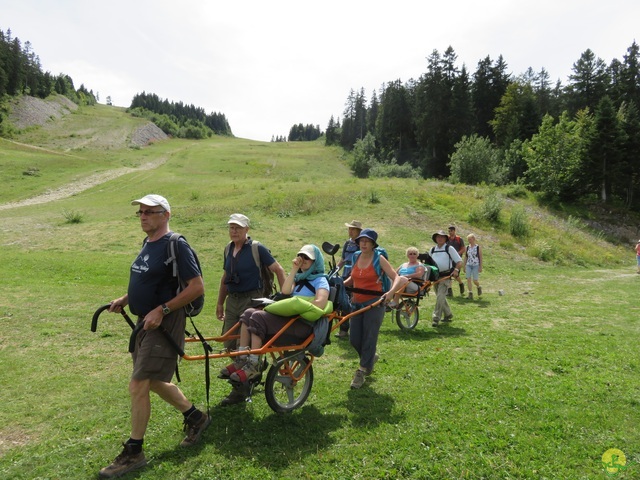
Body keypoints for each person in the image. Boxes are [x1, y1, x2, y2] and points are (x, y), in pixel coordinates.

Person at [99, 194, 208, 478]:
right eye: (141, 212)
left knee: (138, 383)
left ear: (166, 214)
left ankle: (134, 452)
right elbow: (149, 277)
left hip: (164, 323)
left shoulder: (177, 245)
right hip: (144, 321)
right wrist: (125, 298)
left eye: (150, 212)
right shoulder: (148, 244)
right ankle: (196, 417)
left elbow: (196, 287)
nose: (143, 216)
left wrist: (162, 309)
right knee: (155, 381)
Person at [219, 244, 330, 386]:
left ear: (316, 262)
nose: (302, 259)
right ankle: (241, 359)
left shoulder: (320, 280)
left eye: (307, 257)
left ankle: (254, 364)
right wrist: (294, 269)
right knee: (248, 313)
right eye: (300, 255)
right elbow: (285, 291)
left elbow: (320, 302)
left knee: (257, 317)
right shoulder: (299, 277)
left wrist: (297, 307)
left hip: (302, 326)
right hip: (288, 321)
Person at [344, 228, 407, 389]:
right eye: (361, 241)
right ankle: (370, 358)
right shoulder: (356, 256)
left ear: (373, 244)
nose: (363, 244)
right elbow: (353, 277)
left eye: (367, 241)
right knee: (354, 339)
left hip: (375, 303)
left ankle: (362, 371)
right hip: (356, 303)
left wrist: (391, 293)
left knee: (370, 337)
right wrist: (340, 284)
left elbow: (397, 277)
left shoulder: (379, 259)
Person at [216, 213, 286, 352]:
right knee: (228, 342)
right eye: (231, 227)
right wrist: (220, 303)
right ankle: (240, 369)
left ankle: (251, 370)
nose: (234, 231)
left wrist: (285, 296)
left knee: (243, 343)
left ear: (247, 229)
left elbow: (278, 269)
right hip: (232, 301)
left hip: (251, 300)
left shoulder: (257, 248)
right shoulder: (228, 248)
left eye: (238, 228)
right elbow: (225, 277)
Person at [335, 220, 363, 338]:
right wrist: (335, 270)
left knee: (356, 301)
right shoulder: (347, 243)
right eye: (349, 229)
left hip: (358, 276)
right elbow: (342, 260)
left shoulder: (362, 244)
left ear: (359, 231)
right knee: (344, 301)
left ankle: (358, 329)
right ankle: (344, 330)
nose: (350, 231)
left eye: (353, 229)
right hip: (346, 275)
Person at [430, 230, 462, 327]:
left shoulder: (449, 248)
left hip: (446, 276)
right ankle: (448, 314)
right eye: (438, 237)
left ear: (445, 239)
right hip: (435, 277)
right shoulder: (432, 250)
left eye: (442, 237)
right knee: (440, 297)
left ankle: (436, 318)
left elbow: (459, 261)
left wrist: (456, 270)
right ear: (435, 239)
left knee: (440, 296)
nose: (440, 238)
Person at [447, 225, 466, 297]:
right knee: (449, 275)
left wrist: (457, 254)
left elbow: (463, 249)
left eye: (451, 231)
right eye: (449, 231)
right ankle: (449, 291)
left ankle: (461, 283)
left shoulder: (459, 239)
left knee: (455, 275)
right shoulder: (447, 239)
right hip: (449, 259)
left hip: (457, 260)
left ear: (454, 231)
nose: (450, 232)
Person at [463, 233, 483, 299]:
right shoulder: (467, 247)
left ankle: (478, 286)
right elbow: (466, 256)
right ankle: (470, 293)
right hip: (468, 264)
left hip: (475, 265)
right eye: (468, 239)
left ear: (474, 239)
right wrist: (464, 265)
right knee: (468, 279)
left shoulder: (478, 247)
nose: (469, 241)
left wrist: (480, 266)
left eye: (470, 239)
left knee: (475, 280)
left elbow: (480, 257)